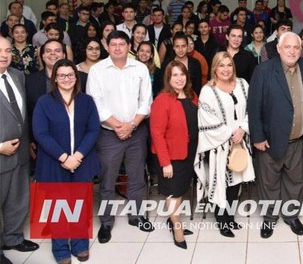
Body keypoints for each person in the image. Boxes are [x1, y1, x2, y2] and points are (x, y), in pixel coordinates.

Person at [87, 30, 155, 244]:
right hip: (108, 135)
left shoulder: (140, 68)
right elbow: (95, 104)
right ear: (107, 47)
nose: (117, 48)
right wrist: (118, 126)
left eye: (121, 44)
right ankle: (106, 221)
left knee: (136, 177)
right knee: (107, 180)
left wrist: (132, 124)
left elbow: (147, 101)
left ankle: (136, 215)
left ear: (128, 47)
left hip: (136, 131)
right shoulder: (98, 70)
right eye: (113, 44)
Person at [248, 32, 303, 238]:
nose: (292, 51)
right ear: (278, 48)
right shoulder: (263, 70)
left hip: (299, 140)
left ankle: (291, 216)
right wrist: (257, 137)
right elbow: (254, 106)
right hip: (270, 140)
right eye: (288, 47)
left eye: (296, 47)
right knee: (269, 182)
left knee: (294, 182)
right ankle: (269, 219)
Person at [32, 59, 99, 264]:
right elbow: (40, 133)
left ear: (76, 77)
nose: (66, 79)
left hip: (81, 160)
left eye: (70, 75)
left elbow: (93, 129)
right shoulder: (44, 102)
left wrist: (77, 156)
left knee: (80, 204)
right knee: (58, 206)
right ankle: (60, 249)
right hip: (54, 162)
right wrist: (64, 157)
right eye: (61, 75)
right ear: (55, 78)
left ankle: (80, 245)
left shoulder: (86, 101)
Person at [196, 52, 254, 238]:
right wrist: (230, 133)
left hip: (240, 143)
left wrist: (243, 129)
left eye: (229, 65)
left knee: (235, 181)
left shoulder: (243, 84)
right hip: (219, 145)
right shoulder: (208, 90)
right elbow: (207, 119)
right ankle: (222, 221)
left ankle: (230, 217)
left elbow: (252, 109)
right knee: (221, 181)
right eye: (221, 65)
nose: (226, 69)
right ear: (214, 68)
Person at [0, 36, 39, 264]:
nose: (4, 55)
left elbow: (23, 114)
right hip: (1, 152)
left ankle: (13, 238)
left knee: (18, 199)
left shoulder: (17, 76)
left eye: (7, 50)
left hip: (21, 152)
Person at [150, 60, 197, 249]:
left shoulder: (192, 96)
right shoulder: (162, 99)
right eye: (175, 75)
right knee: (173, 192)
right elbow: (157, 134)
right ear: (168, 78)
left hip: (189, 152)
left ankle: (173, 218)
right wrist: (165, 163)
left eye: (182, 74)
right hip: (171, 156)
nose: (179, 78)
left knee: (181, 189)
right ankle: (177, 228)